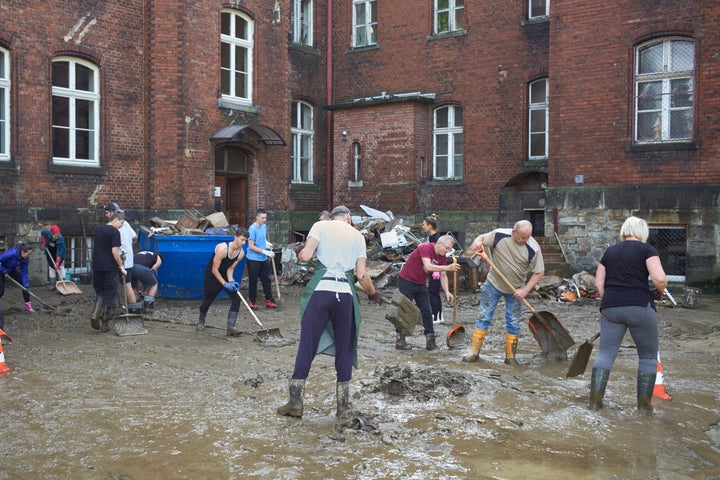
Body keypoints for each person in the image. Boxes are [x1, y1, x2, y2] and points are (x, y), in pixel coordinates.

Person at [277, 205, 380, 419]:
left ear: (332, 217)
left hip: (321, 291)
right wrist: (372, 294)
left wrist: (300, 251)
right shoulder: (358, 237)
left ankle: (295, 403)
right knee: (345, 348)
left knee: (307, 345)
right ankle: (343, 407)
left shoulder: (320, 225)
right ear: (348, 217)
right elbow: (361, 275)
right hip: (345, 296)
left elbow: (305, 256)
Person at [589, 216, 667, 413]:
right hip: (640, 305)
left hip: (610, 307)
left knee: (605, 354)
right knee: (648, 357)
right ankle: (644, 408)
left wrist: (611, 299)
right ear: (643, 232)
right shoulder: (647, 249)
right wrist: (660, 291)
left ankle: (595, 404)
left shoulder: (610, 251)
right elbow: (659, 278)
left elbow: (599, 283)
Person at [463, 219, 544, 365]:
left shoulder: (533, 248)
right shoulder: (499, 235)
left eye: (528, 237)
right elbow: (481, 238)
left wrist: (525, 290)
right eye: (522, 237)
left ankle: (510, 357)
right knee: (484, 316)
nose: (525, 240)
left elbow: (539, 272)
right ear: (514, 232)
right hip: (493, 283)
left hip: (516, 289)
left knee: (513, 321)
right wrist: (476, 242)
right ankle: (473, 353)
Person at [395, 234, 460, 351]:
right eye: (447, 248)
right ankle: (400, 339)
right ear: (439, 244)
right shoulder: (425, 248)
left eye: (449, 249)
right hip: (406, 280)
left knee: (427, 311)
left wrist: (447, 292)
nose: (447, 251)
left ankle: (430, 341)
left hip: (420, 283)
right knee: (404, 310)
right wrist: (447, 268)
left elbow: (443, 275)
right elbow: (428, 266)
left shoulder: (442, 257)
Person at [196, 227, 249, 336]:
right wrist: (224, 283)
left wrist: (232, 281)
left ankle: (231, 327)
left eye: (245, 241)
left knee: (236, 299)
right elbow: (214, 270)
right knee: (208, 300)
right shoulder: (222, 249)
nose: (243, 243)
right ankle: (201, 320)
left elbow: (230, 269)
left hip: (225, 276)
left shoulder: (241, 253)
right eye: (242, 239)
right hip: (212, 276)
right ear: (235, 237)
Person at [91, 212, 125, 332]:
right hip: (110, 267)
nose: (121, 226)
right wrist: (121, 266)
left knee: (100, 292)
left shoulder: (99, 229)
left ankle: (95, 315)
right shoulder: (114, 232)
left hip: (97, 265)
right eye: (121, 223)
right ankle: (105, 323)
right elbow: (114, 251)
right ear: (116, 219)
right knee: (109, 293)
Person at [104, 202, 139, 314]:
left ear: (112, 213)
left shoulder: (113, 227)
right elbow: (135, 237)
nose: (105, 215)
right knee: (126, 285)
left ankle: (131, 311)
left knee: (124, 286)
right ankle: (133, 309)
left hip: (120, 260)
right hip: (128, 259)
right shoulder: (126, 223)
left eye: (107, 213)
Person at [246, 209, 277, 309]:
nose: (264, 220)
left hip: (263, 259)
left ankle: (269, 300)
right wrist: (265, 251)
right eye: (262, 218)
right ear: (257, 217)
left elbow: (263, 238)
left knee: (266, 280)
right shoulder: (252, 229)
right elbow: (251, 246)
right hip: (253, 258)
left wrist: (267, 244)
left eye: (265, 218)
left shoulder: (264, 226)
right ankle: (252, 301)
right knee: (253, 280)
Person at [0, 243, 35, 325]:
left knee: (24, 286)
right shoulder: (11, 254)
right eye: (28, 254)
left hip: (10, 270)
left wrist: (25, 285)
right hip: (1, 270)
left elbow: (24, 272)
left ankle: (28, 307)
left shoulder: (25, 259)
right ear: (23, 251)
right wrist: (3, 270)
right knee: (1, 291)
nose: (28, 256)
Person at [421, 215, 443, 324]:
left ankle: (436, 315)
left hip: (436, 268)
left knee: (433, 292)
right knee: (434, 291)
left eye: (424, 225)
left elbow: (438, 254)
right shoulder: (431, 237)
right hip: (434, 266)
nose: (422, 227)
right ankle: (439, 314)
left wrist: (435, 270)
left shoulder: (437, 238)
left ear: (430, 226)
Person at [40, 224, 67, 290]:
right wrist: (44, 241)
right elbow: (42, 233)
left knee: (60, 267)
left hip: (60, 254)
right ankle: (52, 285)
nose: (56, 237)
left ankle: (62, 284)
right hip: (50, 252)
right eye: (55, 236)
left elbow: (59, 252)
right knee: (51, 267)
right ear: (51, 233)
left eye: (57, 235)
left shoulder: (60, 239)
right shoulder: (47, 233)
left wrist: (57, 262)